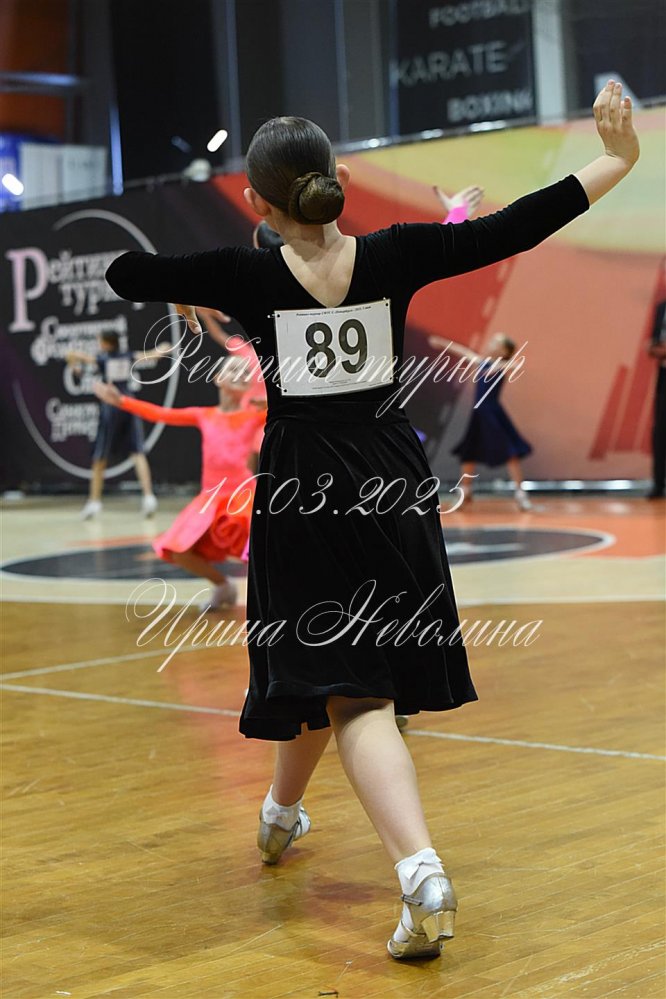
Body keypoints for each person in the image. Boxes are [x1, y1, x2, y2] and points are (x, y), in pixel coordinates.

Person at [104, 81, 638, 960]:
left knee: (352, 692)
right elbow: (516, 227)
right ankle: (281, 812)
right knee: (334, 675)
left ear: (257, 202)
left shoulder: (243, 273)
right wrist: (616, 159)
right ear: (340, 180)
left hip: (303, 490)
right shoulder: (396, 254)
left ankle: (420, 871)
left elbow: (127, 271)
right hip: (392, 482)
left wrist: (187, 287)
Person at [93, 356, 266, 610]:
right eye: (233, 370)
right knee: (177, 550)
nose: (241, 374)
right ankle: (223, 586)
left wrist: (272, 403)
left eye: (245, 372)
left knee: (258, 552)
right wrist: (122, 401)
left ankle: (271, 601)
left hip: (243, 497)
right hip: (210, 498)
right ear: (218, 378)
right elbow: (162, 414)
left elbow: (293, 413)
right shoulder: (204, 415)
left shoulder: (254, 415)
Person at [66, 332, 167, 519]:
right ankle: (148, 497)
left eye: (100, 341)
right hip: (128, 403)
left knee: (100, 455)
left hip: (111, 405)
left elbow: (72, 354)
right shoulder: (128, 356)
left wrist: (75, 367)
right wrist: (162, 348)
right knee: (137, 452)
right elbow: (153, 355)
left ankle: (94, 501)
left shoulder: (102, 359)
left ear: (106, 343)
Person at [429, 331, 533, 510]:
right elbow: (462, 351)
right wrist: (441, 343)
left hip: (493, 413)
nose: (491, 343)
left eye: (496, 342)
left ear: (503, 351)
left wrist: (500, 365)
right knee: (469, 453)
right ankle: (466, 492)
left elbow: (516, 365)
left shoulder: (501, 365)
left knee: (510, 451)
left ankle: (520, 493)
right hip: (478, 414)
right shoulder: (481, 362)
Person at [646, 296, 666, 499]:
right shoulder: (662, 308)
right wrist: (654, 348)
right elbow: (654, 340)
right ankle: (658, 483)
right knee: (660, 431)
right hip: (664, 376)